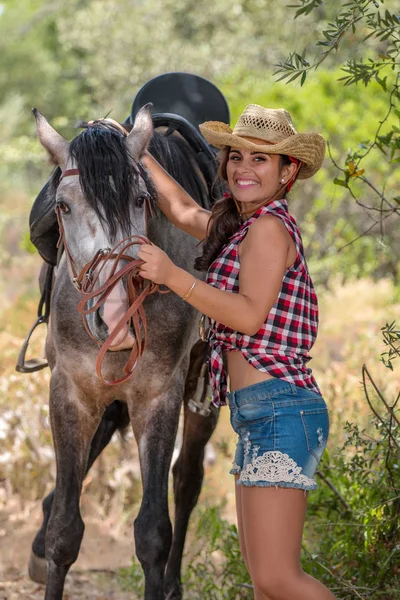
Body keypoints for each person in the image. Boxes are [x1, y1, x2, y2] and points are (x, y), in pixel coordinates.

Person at [138, 104, 335, 600]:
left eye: (262, 160)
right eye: (237, 156)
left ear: (288, 172)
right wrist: (131, 143)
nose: (244, 168)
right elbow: (181, 210)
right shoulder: (242, 227)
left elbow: (247, 315)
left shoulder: (268, 229)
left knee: (277, 579)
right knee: (266, 584)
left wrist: (172, 275)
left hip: (281, 409)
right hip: (260, 413)